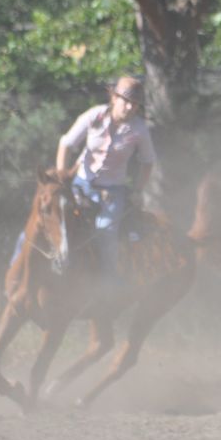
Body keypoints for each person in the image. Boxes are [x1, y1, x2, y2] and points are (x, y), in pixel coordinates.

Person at [55, 76, 157, 285]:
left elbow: (147, 161)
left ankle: (107, 282)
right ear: (114, 97)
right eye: (125, 101)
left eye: (135, 104)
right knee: (53, 219)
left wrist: (138, 190)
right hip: (80, 186)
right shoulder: (94, 116)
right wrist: (61, 176)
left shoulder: (139, 130)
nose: (129, 107)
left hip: (111, 193)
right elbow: (66, 144)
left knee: (106, 231)